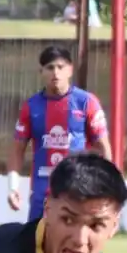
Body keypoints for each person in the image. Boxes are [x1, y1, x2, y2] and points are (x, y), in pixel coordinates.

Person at [7, 46, 112, 220]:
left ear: (70, 70)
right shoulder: (31, 106)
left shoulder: (86, 102)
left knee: (73, 235)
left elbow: (103, 147)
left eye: (60, 67)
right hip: (42, 194)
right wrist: (13, 187)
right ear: (41, 72)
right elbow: (17, 150)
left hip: (78, 191)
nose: (55, 73)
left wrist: (107, 187)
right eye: (50, 67)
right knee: (36, 236)